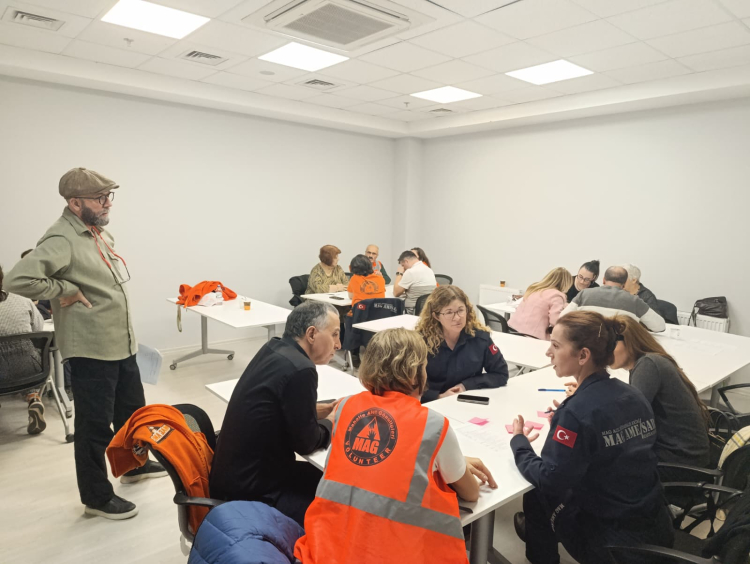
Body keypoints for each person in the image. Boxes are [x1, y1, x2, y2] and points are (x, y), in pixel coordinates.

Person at [4, 167, 165, 520]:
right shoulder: (61, 238)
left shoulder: (96, 232)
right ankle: (96, 497)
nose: (108, 203)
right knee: (94, 425)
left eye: (109, 196)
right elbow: (16, 279)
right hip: (91, 348)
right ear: (75, 203)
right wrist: (64, 289)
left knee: (131, 413)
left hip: (120, 342)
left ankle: (134, 467)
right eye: (99, 198)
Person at [294, 328, 498, 564]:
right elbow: (471, 493)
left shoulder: (345, 406)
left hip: (328, 546)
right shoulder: (433, 425)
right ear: (414, 374)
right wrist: (455, 462)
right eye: (424, 366)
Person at [511, 311, 674, 564]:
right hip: (654, 524)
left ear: (583, 355)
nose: (548, 353)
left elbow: (550, 479)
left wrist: (519, 443)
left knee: (537, 494)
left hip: (611, 539)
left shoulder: (575, 412)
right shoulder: (633, 394)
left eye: (556, 346)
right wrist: (568, 426)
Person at [210, 301, 342, 528]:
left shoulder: (274, 348)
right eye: (335, 334)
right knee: (338, 498)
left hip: (233, 477)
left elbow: (274, 406)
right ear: (311, 334)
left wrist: (313, 409)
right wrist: (331, 422)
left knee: (332, 481)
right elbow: (307, 444)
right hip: (255, 492)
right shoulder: (302, 369)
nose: (338, 344)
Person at [609, 316, 710, 470]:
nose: (606, 352)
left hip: (682, 461)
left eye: (612, 344)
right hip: (686, 454)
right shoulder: (649, 361)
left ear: (629, 341)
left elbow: (627, 419)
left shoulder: (648, 365)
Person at [415, 285, 509, 403]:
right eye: (449, 312)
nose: (457, 318)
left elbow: (501, 374)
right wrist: (437, 396)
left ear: (467, 310)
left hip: (466, 402)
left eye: (460, 310)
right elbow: (407, 384)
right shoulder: (420, 342)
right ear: (436, 316)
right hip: (430, 404)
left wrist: (466, 385)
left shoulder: (480, 338)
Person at [0, 264, 46, 435]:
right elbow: (38, 330)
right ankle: (33, 397)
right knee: (26, 356)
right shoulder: (22, 300)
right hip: (32, 369)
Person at [561, 266, 666, 332]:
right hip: (620, 353)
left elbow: (562, 318)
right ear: (624, 284)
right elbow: (660, 326)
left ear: (603, 280)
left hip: (588, 348)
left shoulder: (584, 294)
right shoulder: (634, 301)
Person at [508, 267, 573, 340]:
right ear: (566, 283)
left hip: (512, 330)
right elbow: (555, 321)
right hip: (530, 336)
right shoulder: (557, 295)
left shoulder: (535, 289)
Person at [393, 250, 436, 314]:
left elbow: (396, 293)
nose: (404, 268)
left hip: (412, 310)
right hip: (427, 310)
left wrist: (399, 273)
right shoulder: (429, 270)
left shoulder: (410, 272)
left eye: (403, 265)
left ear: (406, 261)